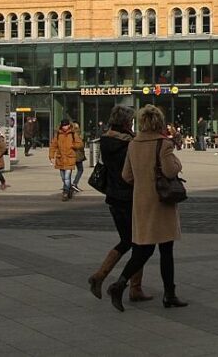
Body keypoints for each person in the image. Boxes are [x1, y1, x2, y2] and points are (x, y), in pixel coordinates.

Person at [107, 104, 187, 312]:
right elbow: (171, 170)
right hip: (161, 203)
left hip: (141, 203)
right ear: (159, 122)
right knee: (165, 250)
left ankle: (120, 284)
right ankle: (168, 294)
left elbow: (126, 176)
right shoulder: (163, 144)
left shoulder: (134, 144)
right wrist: (178, 164)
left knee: (144, 249)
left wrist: (142, 183)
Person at [89, 105, 153, 303]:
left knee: (127, 241)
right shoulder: (129, 144)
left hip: (113, 197)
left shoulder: (106, 140)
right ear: (126, 122)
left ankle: (103, 275)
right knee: (140, 242)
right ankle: (132, 286)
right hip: (131, 197)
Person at [49, 119, 83, 201]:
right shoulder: (58, 134)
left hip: (70, 157)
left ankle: (66, 192)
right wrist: (51, 155)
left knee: (67, 177)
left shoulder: (73, 133)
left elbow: (80, 144)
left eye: (66, 125)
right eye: (63, 125)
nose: (65, 127)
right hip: (60, 158)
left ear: (69, 125)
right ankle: (69, 189)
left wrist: (73, 145)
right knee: (63, 177)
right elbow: (53, 145)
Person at [71, 121, 86, 192]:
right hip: (77, 155)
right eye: (77, 127)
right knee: (80, 169)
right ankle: (74, 184)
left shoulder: (73, 134)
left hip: (77, 155)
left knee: (72, 170)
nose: (78, 129)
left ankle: (72, 184)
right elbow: (79, 145)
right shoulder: (75, 135)